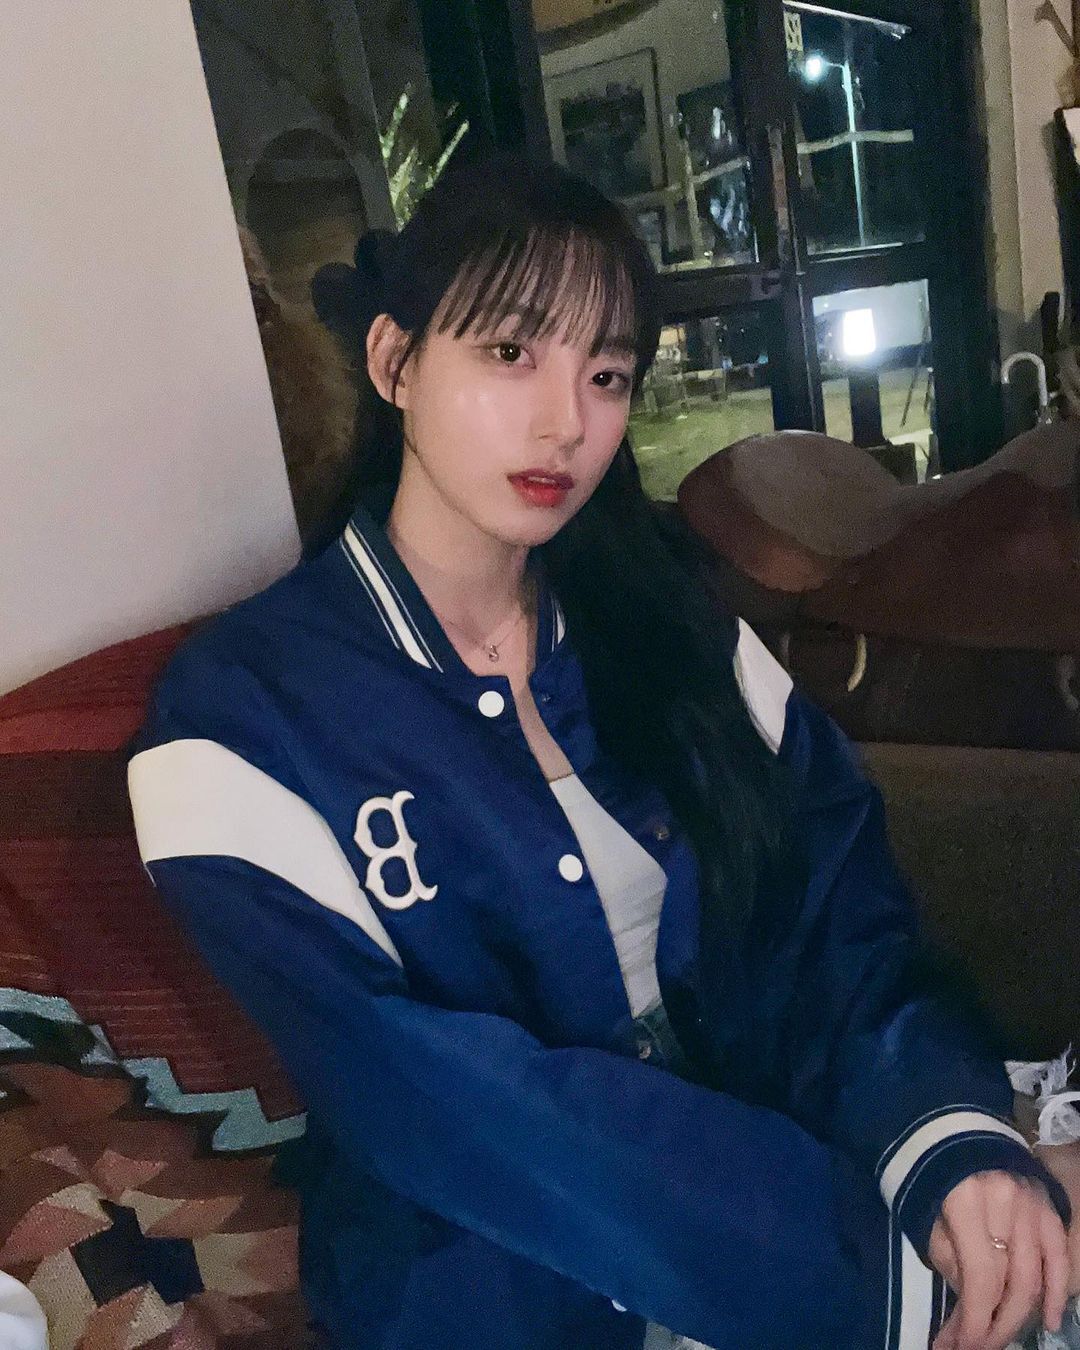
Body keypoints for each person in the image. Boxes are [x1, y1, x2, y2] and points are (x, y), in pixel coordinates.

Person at [128, 152, 1076, 1350]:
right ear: (394, 361)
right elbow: (448, 1107)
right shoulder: (239, 720)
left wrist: (947, 1140)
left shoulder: (672, 633)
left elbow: (838, 923)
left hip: (818, 1201)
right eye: (509, 352)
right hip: (517, 1303)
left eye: (608, 372)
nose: (566, 422)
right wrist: (864, 1270)